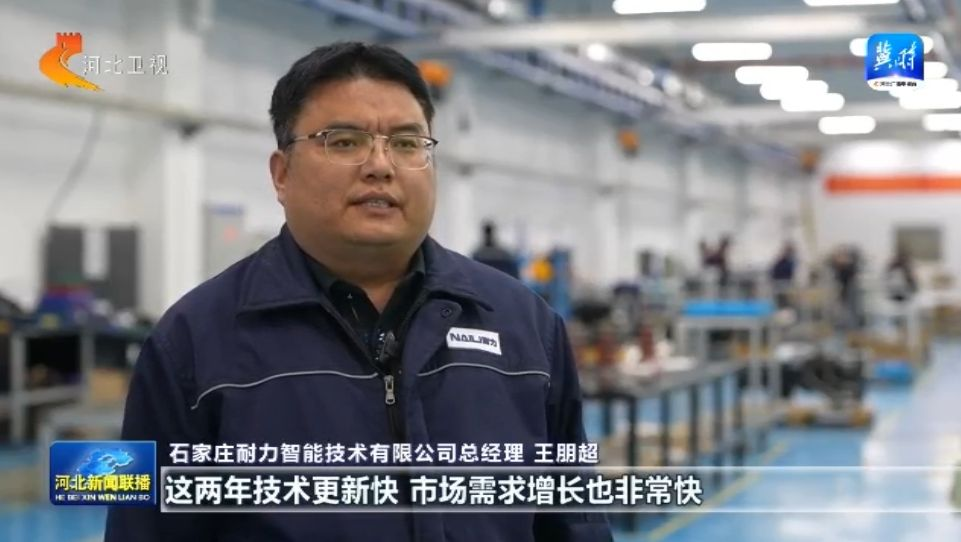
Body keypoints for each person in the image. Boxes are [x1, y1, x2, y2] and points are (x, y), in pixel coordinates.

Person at [105, 42, 611, 542]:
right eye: (344, 141)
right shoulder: (194, 344)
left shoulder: (524, 326)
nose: (380, 165)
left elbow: (575, 521)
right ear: (281, 174)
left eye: (407, 143)